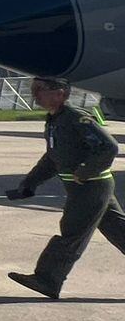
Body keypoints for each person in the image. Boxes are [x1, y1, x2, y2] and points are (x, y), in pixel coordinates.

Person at [8, 75, 124, 298]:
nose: (35, 94)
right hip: (85, 187)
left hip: (91, 186)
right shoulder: (55, 120)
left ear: (60, 94)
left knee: (72, 233)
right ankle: (47, 279)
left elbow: (109, 147)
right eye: (34, 89)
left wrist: (85, 171)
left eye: (40, 89)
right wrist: (29, 184)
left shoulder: (76, 119)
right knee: (119, 230)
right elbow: (53, 158)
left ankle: (46, 279)